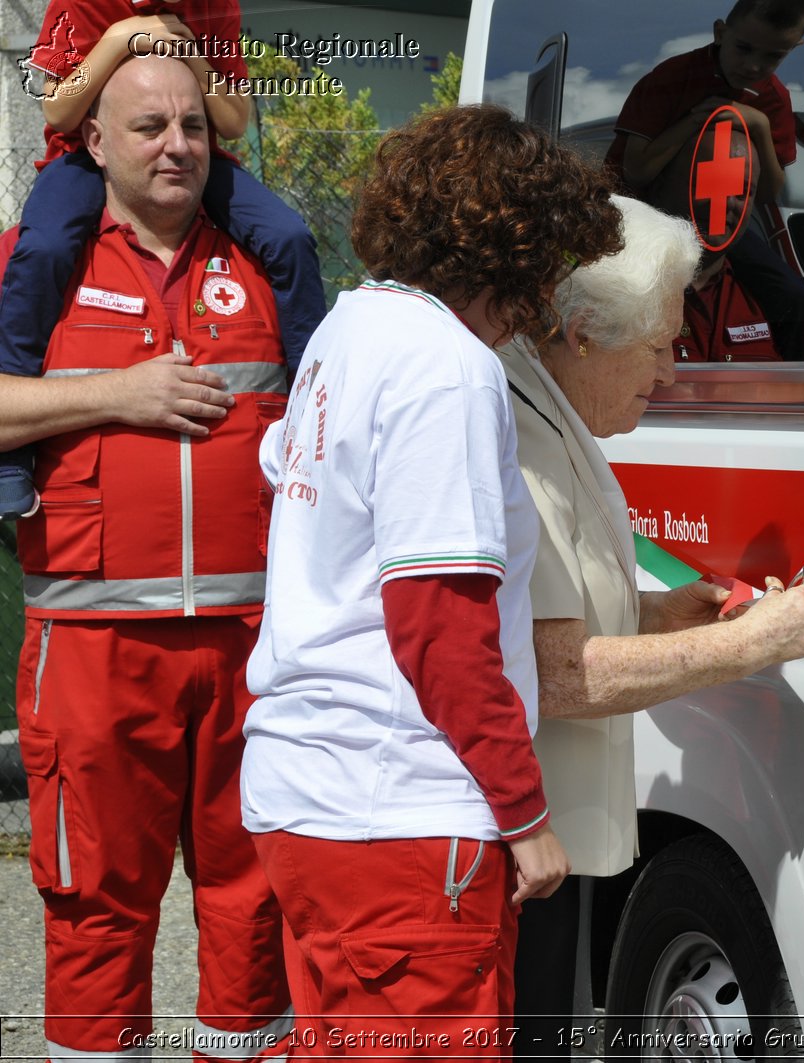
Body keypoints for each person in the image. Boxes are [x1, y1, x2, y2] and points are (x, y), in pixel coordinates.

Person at [241, 105, 621, 1047]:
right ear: (516, 252)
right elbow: (438, 625)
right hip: (402, 815)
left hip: (310, 799)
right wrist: (524, 811)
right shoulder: (448, 368)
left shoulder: (349, 324)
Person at [0, 55, 292, 1060]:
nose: (177, 145)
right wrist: (112, 394)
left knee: (258, 901)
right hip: (92, 647)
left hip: (256, 650)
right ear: (92, 143)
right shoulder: (34, 264)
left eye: (194, 128)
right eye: (149, 127)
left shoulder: (267, 268)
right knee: (93, 906)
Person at [500, 194, 804, 1059]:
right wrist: (745, 647)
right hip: (513, 853)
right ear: (580, 332)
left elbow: (546, 611)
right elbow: (553, 672)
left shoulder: (553, 414)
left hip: (545, 843)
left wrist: (657, 613)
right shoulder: (522, 441)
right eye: (658, 346)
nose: (676, 371)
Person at [0, 0, 322, 520]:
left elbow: (233, 120)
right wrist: (126, 38)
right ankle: (11, 453)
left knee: (287, 236)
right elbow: (58, 110)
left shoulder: (216, 8)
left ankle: (313, 408)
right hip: (80, 161)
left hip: (204, 158)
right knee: (45, 247)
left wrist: (188, 48)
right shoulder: (82, 4)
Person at [605, 0, 804, 362]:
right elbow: (636, 172)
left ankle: (802, 380)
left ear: (795, 48)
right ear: (720, 32)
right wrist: (697, 120)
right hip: (634, 212)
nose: (753, 66)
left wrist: (759, 126)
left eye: (773, 56)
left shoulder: (773, 99)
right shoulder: (671, 79)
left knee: (795, 293)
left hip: (715, 225)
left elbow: (766, 193)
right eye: (744, 48)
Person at [650, 121, 804, 362]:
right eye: (710, 182)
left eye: (740, 190)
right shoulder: (620, 292)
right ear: (660, 185)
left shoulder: (777, 301)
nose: (726, 202)